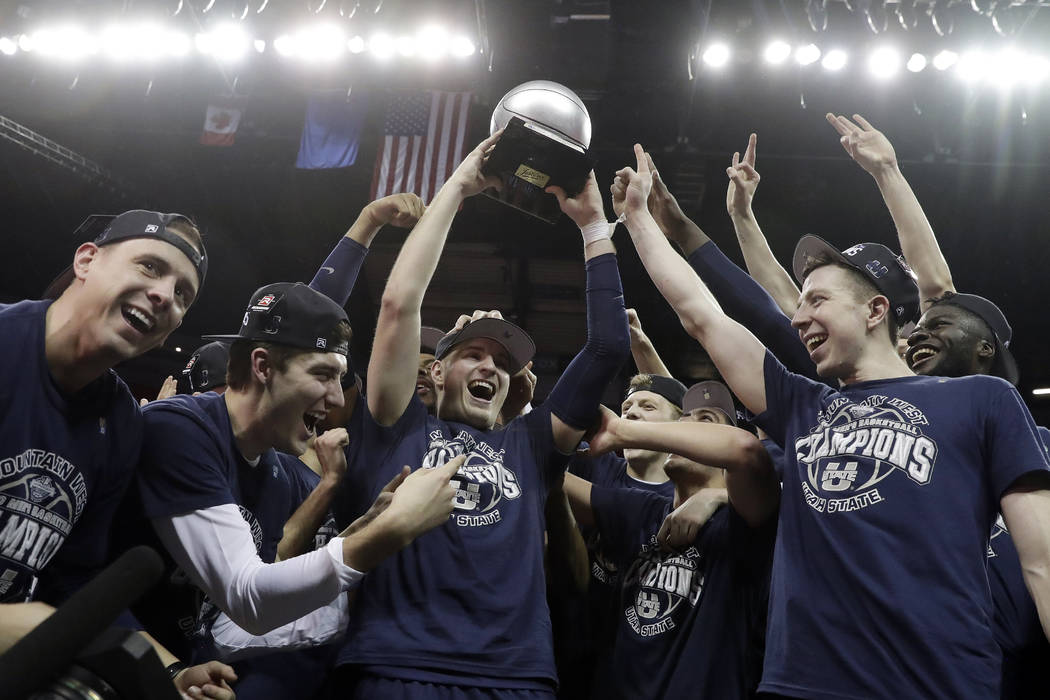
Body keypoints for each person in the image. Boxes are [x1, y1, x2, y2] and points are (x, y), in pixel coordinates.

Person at [615, 143, 1050, 700]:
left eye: (816, 301)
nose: (799, 317)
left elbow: (1040, 562)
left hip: (940, 684)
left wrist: (889, 170)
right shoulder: (802, 407)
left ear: (875, 311)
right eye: (800, 305)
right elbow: (702, 316)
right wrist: (637, 221)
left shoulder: (983, 401)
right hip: (801, 687)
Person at [330, 130, 631, 697]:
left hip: (515, 678)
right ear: (436, 371)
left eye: (502, 361)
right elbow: (399, 304)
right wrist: (459, 188)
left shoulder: (531, 445)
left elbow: (608, 349)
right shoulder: (396, 426)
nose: (491, 366)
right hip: (399, 667)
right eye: (473, 353)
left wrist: (594, 228)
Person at [134, 282, 462, 674]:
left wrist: (365, 526)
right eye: (323, 374)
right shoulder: (181, 430)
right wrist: (391, 530)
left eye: (339, 379)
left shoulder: (277, 474)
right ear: (263, 366)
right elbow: (248, 598)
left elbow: (261, 586)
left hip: (162, 662)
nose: (338, 398)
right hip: (76, 657)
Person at [562, 377, 778, 699]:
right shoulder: (643, 510)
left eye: (705, 421)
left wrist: (717, 498)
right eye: (683, 420)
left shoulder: (744, 527)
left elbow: (748, 453)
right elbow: (548, 474)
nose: (686, 428)